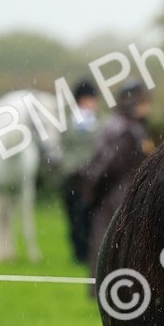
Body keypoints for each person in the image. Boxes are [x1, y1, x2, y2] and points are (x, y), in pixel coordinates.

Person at [81, 82, 154, 283]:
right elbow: (105, 166)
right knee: (112, 246)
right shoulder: (125, 130)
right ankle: (112, 288)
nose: (147, 106)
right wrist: (93, 192)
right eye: (143, 101)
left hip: (119, 196)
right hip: (117, 198)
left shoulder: (126, 125)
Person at [60, 79, 99, 263]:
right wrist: (72, 168)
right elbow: (63, 149)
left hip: (93, 179)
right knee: (74, 218)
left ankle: (90, 251)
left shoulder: (102, 123)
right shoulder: (67, 125)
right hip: (73, 178)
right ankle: (78, 253)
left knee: (91, 218)